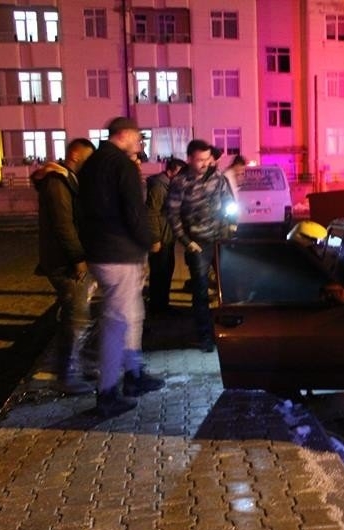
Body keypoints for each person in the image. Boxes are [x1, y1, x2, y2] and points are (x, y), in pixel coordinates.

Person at [78, 116, 165, 418]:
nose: (140, 144)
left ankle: (134, 374)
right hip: (119, 253)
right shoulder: (122, 166)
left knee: (132, 315)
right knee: (117, 323)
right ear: (125, 135)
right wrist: (148, 242)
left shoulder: (91, 164)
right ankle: (108, 392)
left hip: (101, 251)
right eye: (139, 138)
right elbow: (134, 212)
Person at [32, 138, 97, 395]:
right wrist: (78, 259)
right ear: (76, 155)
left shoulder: (67, 179)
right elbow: (64, 225)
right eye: (88, 160)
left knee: (81, 315)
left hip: (67, 259)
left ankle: (80, 366)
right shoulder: (58, 182)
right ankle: (67, 375)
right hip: (64, 262)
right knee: (76, 317)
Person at [165, 139, 235, 353]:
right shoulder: (180, 182)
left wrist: (232, 224)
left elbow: (228, 201)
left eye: (207, 159)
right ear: (189, 159)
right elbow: (172, 214)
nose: (205, 164)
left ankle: (229, 328)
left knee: (228, 285)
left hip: (220, 239)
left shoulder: (218, 178)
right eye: (200, 160)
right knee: (201, 290)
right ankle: (205, 335)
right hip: (198, 245)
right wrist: (186, 242)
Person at [146, 157, 187, 314]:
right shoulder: (159, 186)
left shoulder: (167, 186)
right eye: (180, 173)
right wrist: (155, 239)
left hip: (167, 236)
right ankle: (158, 308)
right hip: (161, 238)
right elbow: (151, 213)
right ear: (172, 171)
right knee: (159, 273)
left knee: (166, 270)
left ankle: (162, 305)